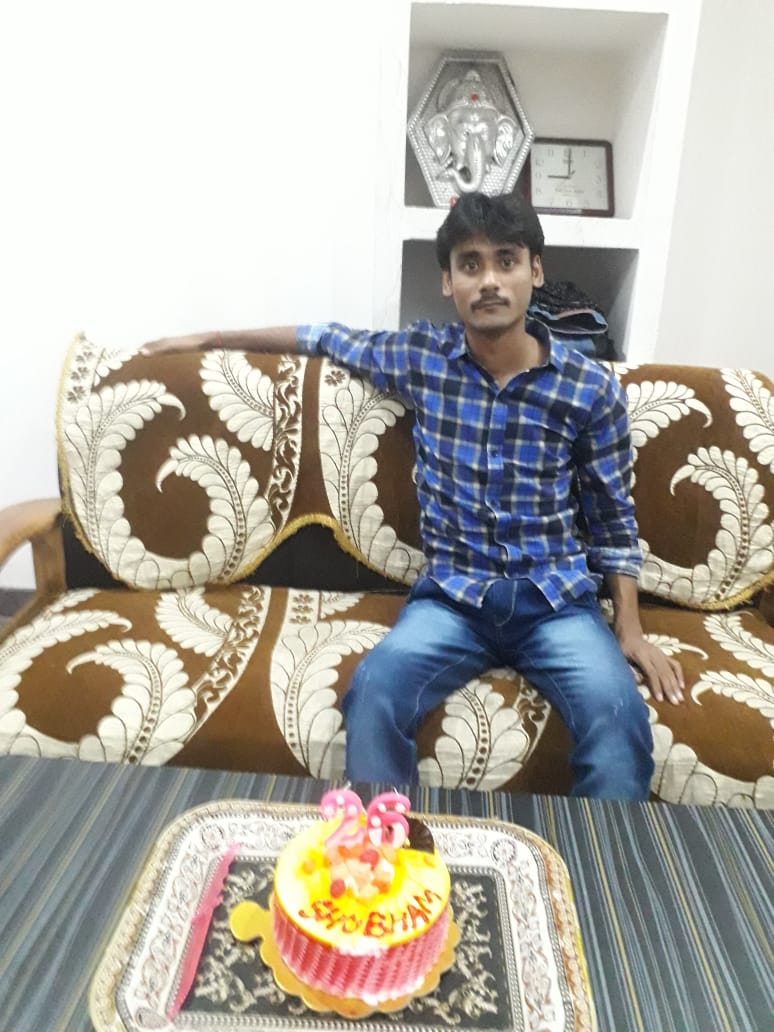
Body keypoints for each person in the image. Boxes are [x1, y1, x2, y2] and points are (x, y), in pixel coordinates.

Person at [144, 190, 684, 800]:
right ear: (448, 282)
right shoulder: (423, 358)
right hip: (453, 601)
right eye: (470, 264)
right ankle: (383, 852)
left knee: (619, 717)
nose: (489, 280)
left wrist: (629, 628)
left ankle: (587, 863)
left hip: (555, 602)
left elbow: (612, 520)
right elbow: (323, 337)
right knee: (375, 691)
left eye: (506, 261)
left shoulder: (589, 389)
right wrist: (209, 338)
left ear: (535, 271)